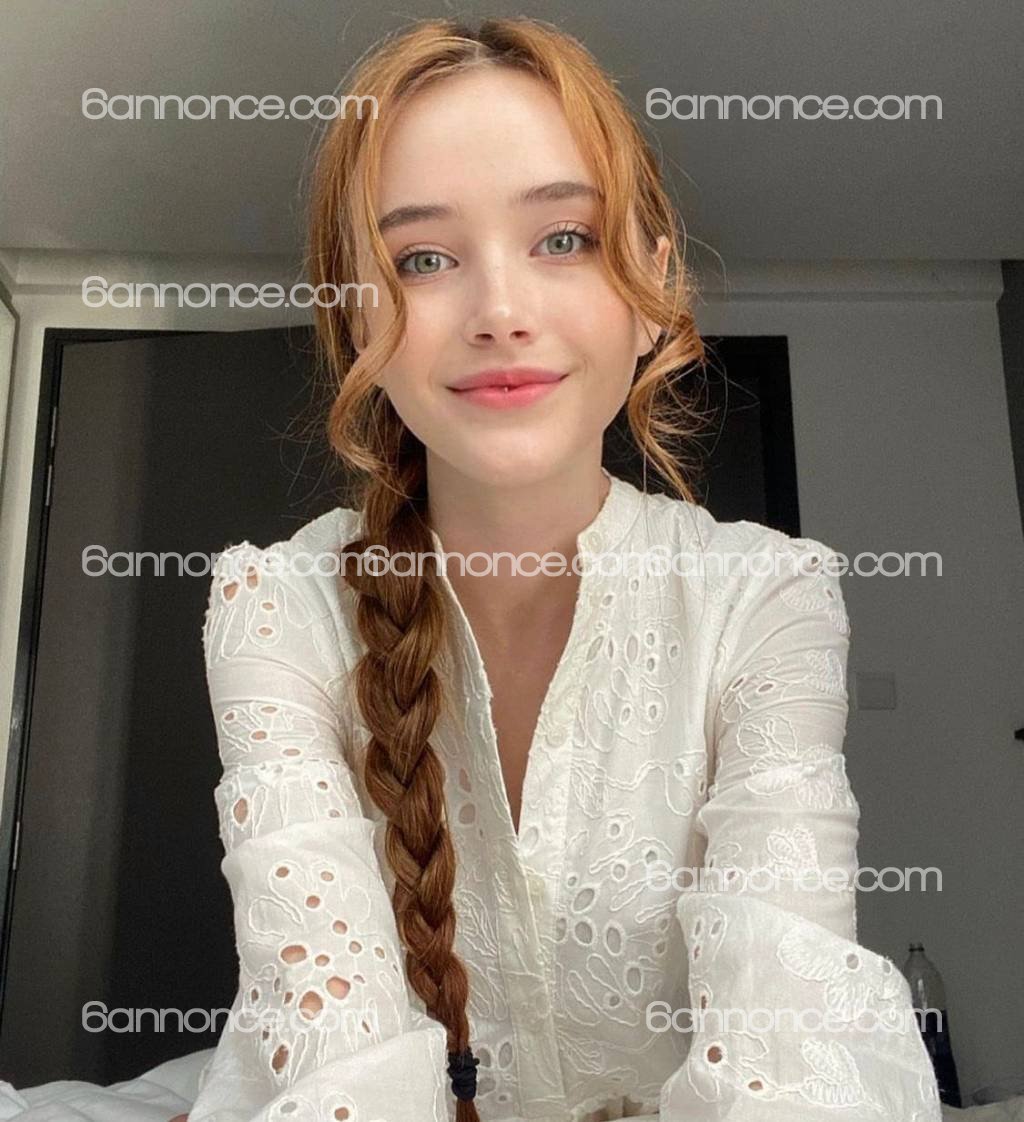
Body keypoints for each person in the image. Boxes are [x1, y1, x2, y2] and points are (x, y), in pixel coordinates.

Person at [180, 17, 942, 1122]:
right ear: (356, 317)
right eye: (423, 259)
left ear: (653, 290)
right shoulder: (278, 608)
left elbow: (790, 1038)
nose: (500, 313)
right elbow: (332, 1043)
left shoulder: (764, 598)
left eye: (564, 239)